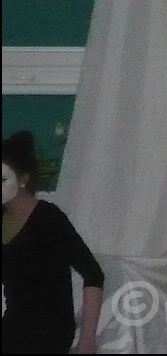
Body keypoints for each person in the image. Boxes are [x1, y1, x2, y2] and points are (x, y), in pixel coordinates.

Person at [2, 130, 104, 354]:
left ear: (23, 179)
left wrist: (87, 340)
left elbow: (93, 274)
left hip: (50, 330)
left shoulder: (48, 217)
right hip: (14, 324)